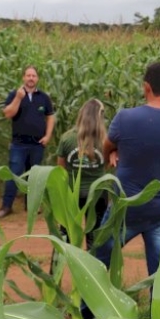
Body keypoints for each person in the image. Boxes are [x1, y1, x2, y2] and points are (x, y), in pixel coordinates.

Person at [95, 61, 160, 291]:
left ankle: (89, 315)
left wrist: (115, 152)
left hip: (125, 206)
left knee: (99, 262)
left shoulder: (125, 118)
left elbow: (106, 147)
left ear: (146, 87)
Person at [0, 65, 56, 218]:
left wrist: (48, 136)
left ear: (37, 79)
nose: (31, 78)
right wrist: (18, 97)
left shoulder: (43, 97)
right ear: (23, 77)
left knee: (34, 177)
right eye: (28, 75)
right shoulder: (14, 94)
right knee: (14, 175)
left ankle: (32, 205)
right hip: (18, 144)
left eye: (34, 76)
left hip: (37, 144)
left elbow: (50, 116)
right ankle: (6, 206)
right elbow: (8, 114)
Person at [56, 98, 109, 250]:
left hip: (73, 194)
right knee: (95, 237)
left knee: (65, 234)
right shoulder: (105, 140)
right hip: (98, 194)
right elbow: (105, 165)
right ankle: (94, 269)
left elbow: (61, 170)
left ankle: (56, 269)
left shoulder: (66, 138)